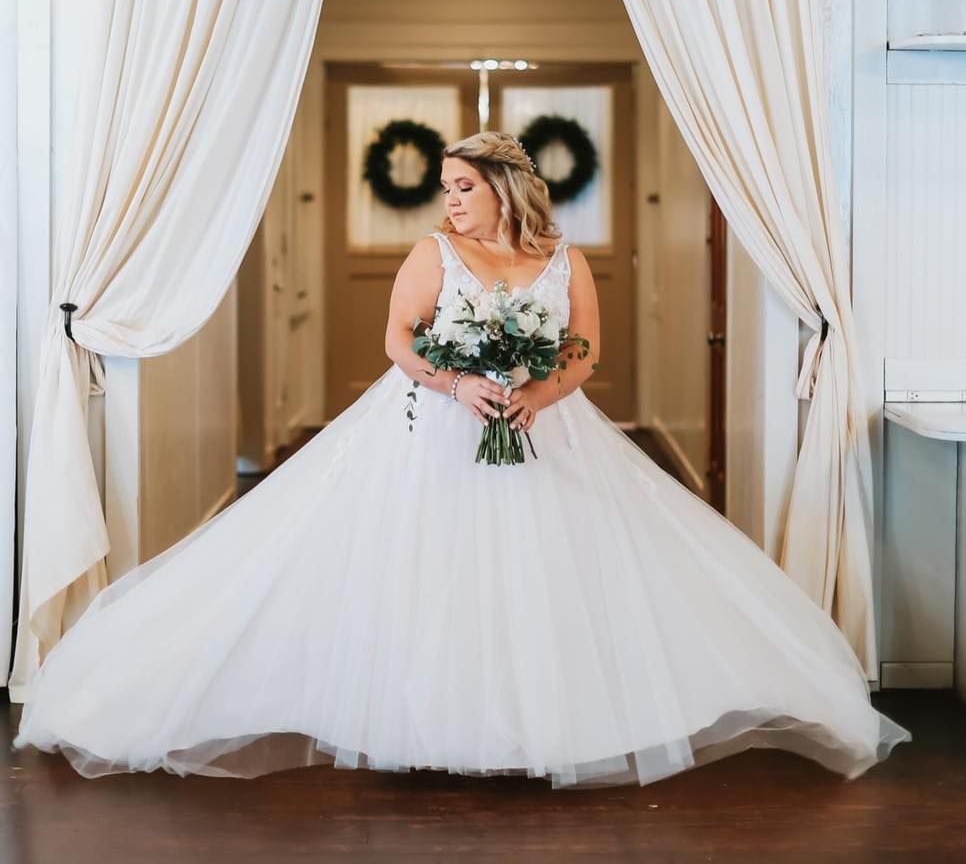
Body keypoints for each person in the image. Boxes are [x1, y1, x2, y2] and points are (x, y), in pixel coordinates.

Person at [12, 131, 911, 787]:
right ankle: (431, 718)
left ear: (506, 187)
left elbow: (587, 351)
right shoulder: (432, 252)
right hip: (433, 430)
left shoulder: (565, 257)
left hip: (545, 428)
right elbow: (400, 340)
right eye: (442, 186)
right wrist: (463, 387)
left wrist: (536, 393)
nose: (447, 199)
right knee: (433, 572)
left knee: (552, 576)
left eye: (460, 187)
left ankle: (536, 722)